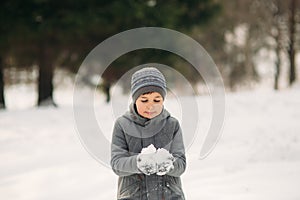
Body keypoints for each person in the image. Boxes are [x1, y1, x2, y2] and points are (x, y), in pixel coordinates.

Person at [110, 67, 186, 200]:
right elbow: (117, 164)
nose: (150, 106)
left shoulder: (172, 125)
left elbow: (181, 166)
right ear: (134, 100)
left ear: (163, 100)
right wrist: (138, 163)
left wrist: (169, 164)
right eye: (144, 100)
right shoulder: (122, 125)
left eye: (157, 100)